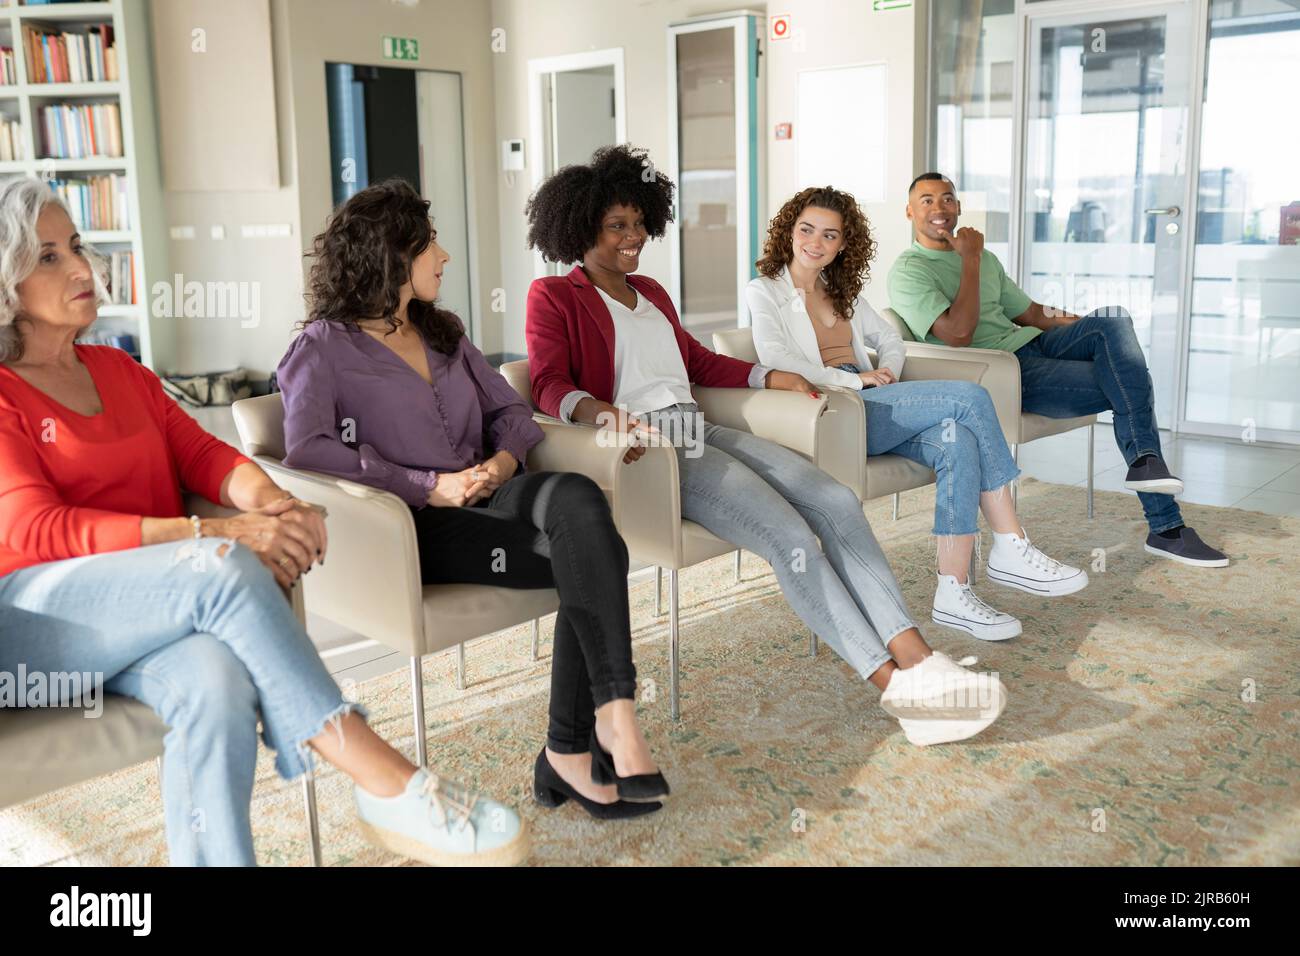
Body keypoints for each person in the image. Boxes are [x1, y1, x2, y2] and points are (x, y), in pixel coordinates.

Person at [0, 177, 528, 866]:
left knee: (216, 680)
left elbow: (206, 454)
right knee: (218, 567)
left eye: (75, 245)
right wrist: (216, 535)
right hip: (36, 622)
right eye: (47, 256)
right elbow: (36, 530)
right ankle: (385, 780)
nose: (79, 267)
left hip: (144, 607)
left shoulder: (119, 371)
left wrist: (278, 506)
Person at [525, 145, 1007, 748]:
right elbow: (547, 384)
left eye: (640, 223)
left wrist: (769, 376)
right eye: (617, 226)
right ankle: (896, 689)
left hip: (697, 425)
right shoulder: (554, 295)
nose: (635, 237)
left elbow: (696, 361)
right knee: (792, 537)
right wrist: (603, 413)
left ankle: (919, 658)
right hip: (654, 451)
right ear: (579, 227)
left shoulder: (649, 290)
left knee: (832, 499)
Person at [277, 178, 667, 817]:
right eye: (431, 244)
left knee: (576, 500)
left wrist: (501, 461)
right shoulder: (322, 347)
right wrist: (429, 485)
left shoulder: (444, 332)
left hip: (492, 492)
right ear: (394, 255)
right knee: (599, 559)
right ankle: (571, 749)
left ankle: (613, 719)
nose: (444, 256)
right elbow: (309, 451)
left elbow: (513, 411)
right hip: (415, 527)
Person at [748, 186, 1086, 642]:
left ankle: (953, 591)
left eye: (829, 235)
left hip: (872, 400)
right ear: (789, 231)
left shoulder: (840, 290)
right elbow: (776, 358)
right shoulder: (764, 291)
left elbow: (889, 338)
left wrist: (886, 369)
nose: (815, 242)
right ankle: (1011, 543)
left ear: (843, 243)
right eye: (806, 229)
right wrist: (854, 380)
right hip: (832, 409)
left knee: (957, 439)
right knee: (969, 398)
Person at [887, 173, 1228, 568]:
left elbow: (1031, 313)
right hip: (999, 374)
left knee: (1115, 322)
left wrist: (1098, 333)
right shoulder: (910, 270)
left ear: (959, 207)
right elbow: (959, 334)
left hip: (1032, 344)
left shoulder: (986, 259)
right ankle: (1166, 525)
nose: (939, 209)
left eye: (947, 199)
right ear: (910, 211)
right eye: (926, 201)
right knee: (1129, 384)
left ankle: (1146, 467)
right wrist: (970, 260)